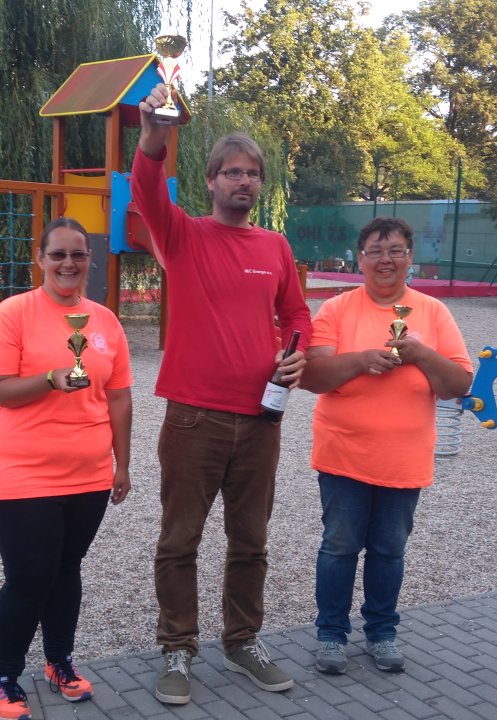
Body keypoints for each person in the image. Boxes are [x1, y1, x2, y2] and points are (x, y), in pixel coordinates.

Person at [132, 82, 312, 705]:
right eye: (232, 172)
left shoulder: (275, 246)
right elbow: (147, 190)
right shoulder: (181, 235)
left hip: (261, 420)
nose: (243, 181)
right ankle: (177, 648)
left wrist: (298, 352)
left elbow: (296, 313)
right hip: (194, 419)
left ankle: (242, 642)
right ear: (210, 182)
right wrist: (153, 138)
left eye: (252, 173)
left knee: (251, 542)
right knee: (179, 540)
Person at [298, 217, 473, 675]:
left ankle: (381, 632)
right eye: (375, 251)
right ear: (360, 259)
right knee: (339, 548)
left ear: (410, 258)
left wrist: (420, 353)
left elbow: (458, 384)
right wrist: (361, 360)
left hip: (404, 459)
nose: (385, 260)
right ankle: (331, 634)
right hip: (344, 454)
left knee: (389, 551)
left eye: (396, 250)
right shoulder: (336, 309)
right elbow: (313, 377)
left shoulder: (432, 312)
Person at [0, 217, 133, 720]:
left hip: (89, 472)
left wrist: (123, 463)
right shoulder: (13, 313)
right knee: (30, 576)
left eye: (78, 254)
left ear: (89, 260)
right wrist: (50, 378)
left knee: (66, 571)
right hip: (21, 472)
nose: (69, 263)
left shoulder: (104, 321)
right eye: (59, 254)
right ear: (40, 259)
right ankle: (3, 676)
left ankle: (59, 661)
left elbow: (119, 396)